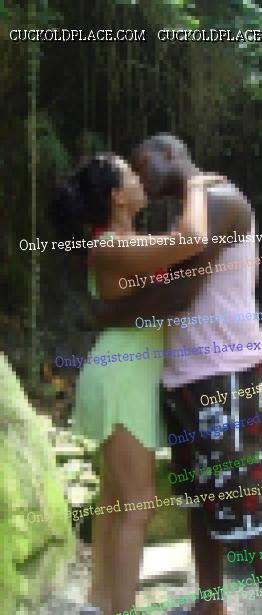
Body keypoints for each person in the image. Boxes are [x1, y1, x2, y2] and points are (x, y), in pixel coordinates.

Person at [95, 134, 262, 615]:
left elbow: (179, 295)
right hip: (188, 375)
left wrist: (108, 313)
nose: (139, 179)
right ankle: (210, 603)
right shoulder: (192, 212)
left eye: (142, 166)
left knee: (245, 503)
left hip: (226, 373)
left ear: (170, 156)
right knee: (199, 500)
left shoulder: (221, 203)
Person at [53, 153, 222, 615]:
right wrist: (193, 182)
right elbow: (191, 239)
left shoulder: (122, 242)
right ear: (117, 197)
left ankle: (99, 602)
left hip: (127, 374)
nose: (140, 178)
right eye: (131, 174)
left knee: (115, 500)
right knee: (138, 505)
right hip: (122, 379)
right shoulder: (110, 247)